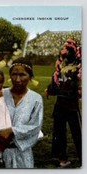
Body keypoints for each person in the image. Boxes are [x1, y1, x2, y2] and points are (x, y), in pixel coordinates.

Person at [0, 57, 43, 168]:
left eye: (22, 75)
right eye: (14, 74)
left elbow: (35, 126)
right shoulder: (0, 95)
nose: (17, 79)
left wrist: (12, 131)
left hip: (22, 154)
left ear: (30, 76)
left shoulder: (35, 99)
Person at [46, 39, 82, 167]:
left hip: (72, 105)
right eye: (65, 51)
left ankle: (82, 157)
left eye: (68, 50)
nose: (65, 53)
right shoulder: (60, 66)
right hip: (60, 103)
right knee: (59, 131)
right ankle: (60, 157)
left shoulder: (79, 67)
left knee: (78, 132)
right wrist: (50, 89)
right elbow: (55, 83)